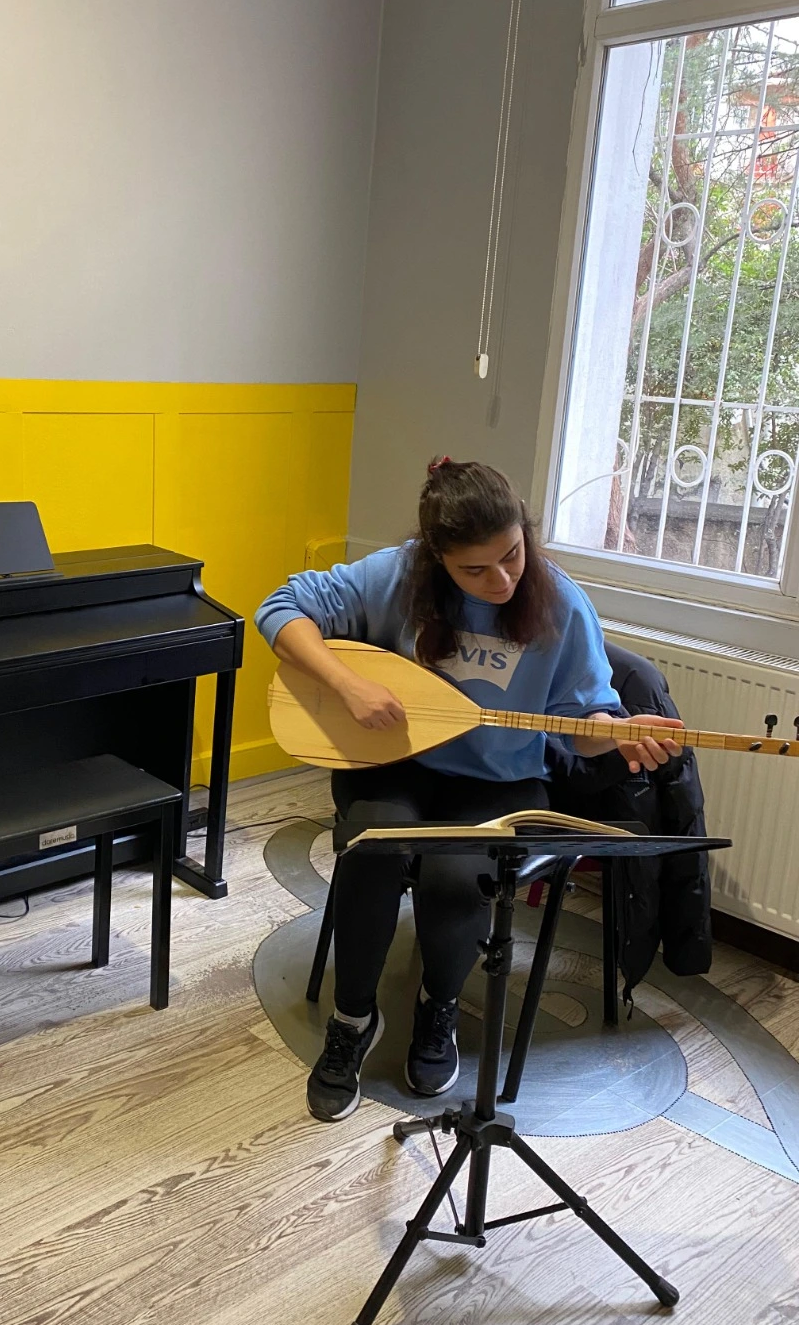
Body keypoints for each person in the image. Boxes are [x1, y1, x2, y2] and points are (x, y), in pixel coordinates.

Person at [255, 457, 682, 1122]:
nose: (502, 580)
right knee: (371, 851)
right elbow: (279, 610)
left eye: (512, 556)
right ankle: (353, 1019)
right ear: (436, 560)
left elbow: (582, 729)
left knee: (455, 877)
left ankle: (439, 1009)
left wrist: (618, 735)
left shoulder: (561, 605)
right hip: (396, 762)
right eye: (475, 570)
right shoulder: (397, 575)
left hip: (502, 777)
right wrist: (348, 683)